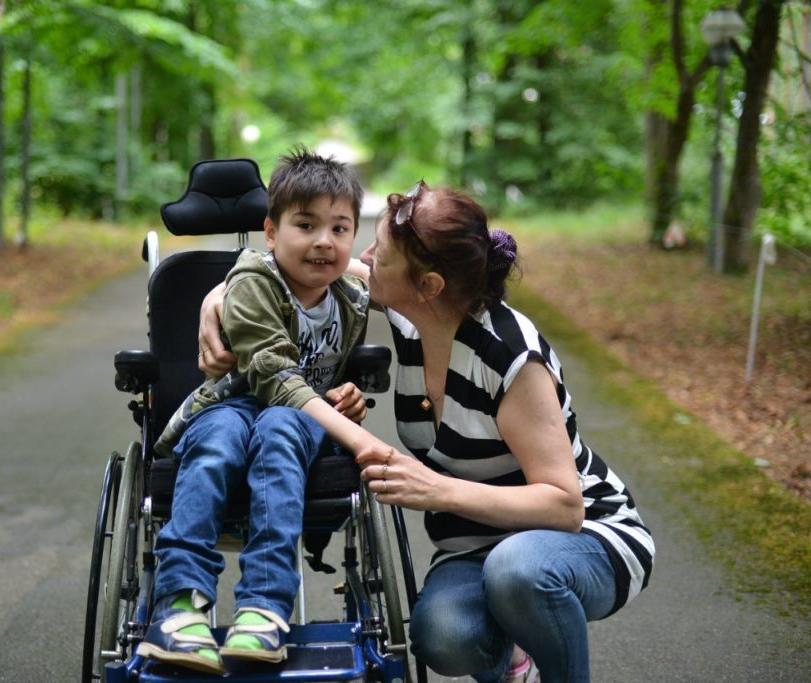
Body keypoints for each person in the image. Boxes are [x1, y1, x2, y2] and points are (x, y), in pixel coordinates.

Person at [198, 180, 655, 683]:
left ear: (429, 285)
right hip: (473, 548)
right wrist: (216, 299)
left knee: (518, 572)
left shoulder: (509, 357)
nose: (364, 257)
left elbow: (563, 506)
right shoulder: (412, 315)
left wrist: (435, 489)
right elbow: (286, 272)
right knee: (441, 636)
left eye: (382, 254)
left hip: (584, 535)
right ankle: (514, 667)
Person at [138, 147, 386, 675]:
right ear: (271, 232)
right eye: (306, 225)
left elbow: (408, 288)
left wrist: (348, 392)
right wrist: (360, 438)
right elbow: (277, 382)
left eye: (340, 229)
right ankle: (181, 604)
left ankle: (264, 607)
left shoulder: (351, 296)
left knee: (281, 427)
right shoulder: (250, 284)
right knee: (224, 438)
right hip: (230, 402)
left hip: (293, 418)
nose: (324, 241)